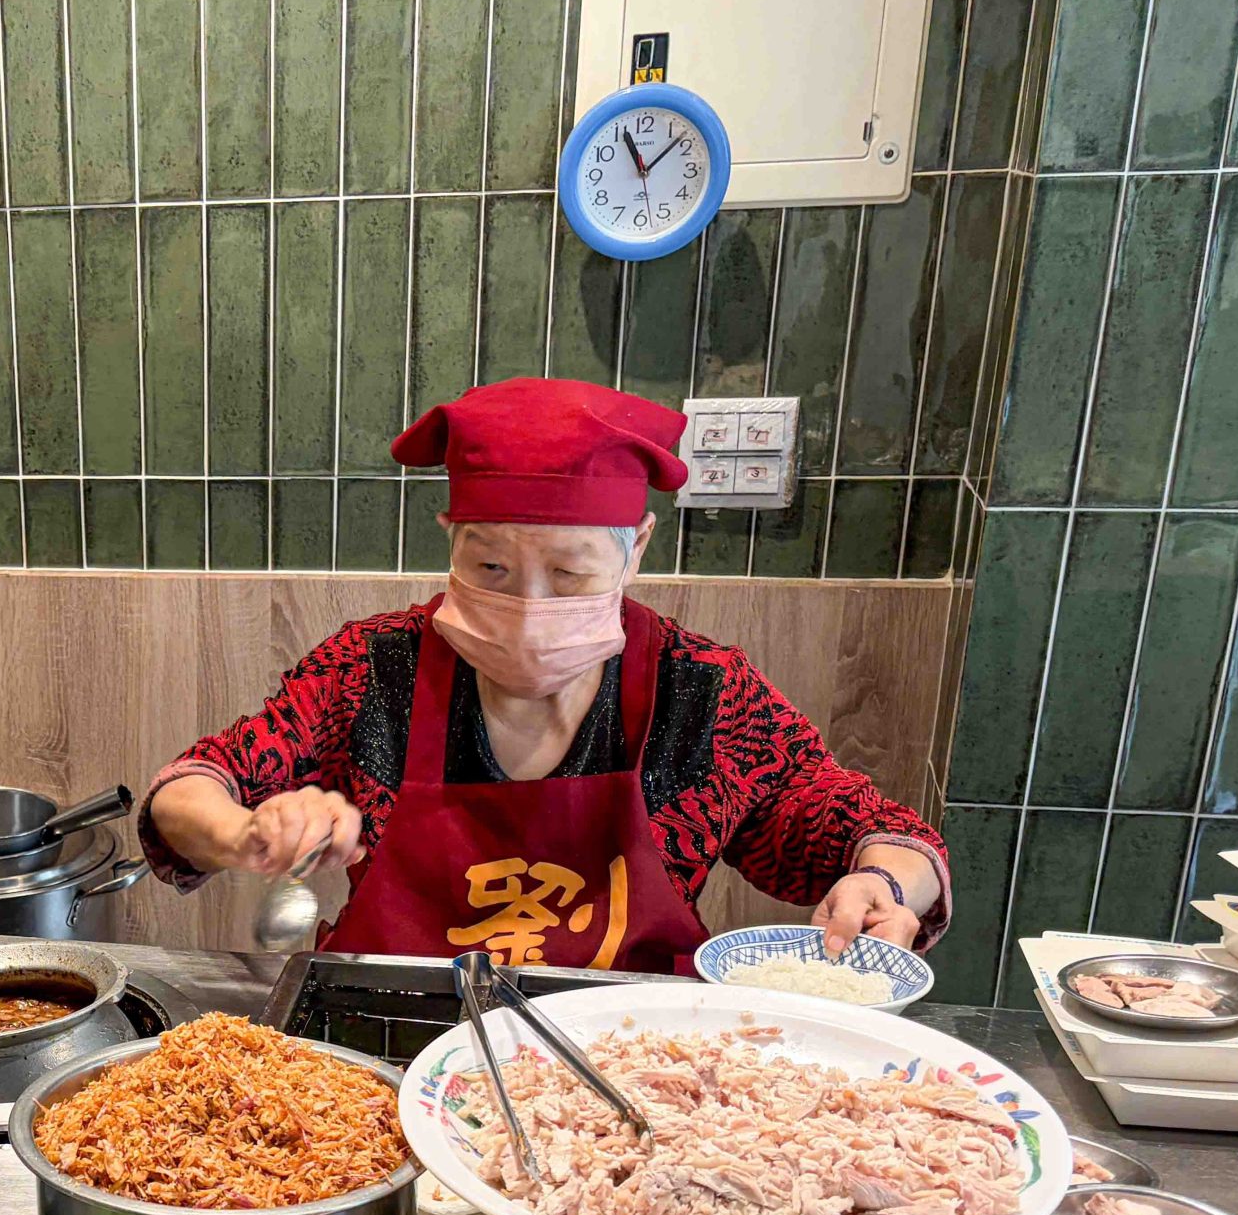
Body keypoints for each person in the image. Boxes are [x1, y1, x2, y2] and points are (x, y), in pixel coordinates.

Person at [141, 378, 947, 971]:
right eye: (488, 564)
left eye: (567, 573)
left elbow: (853, 827)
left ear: (636, 549)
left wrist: (885, 883)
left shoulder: (700, 690)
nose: (527, 605)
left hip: (634, 1068)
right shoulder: (371, 671)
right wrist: (243, 834)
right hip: (389, 1048)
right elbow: (190, 789)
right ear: (448, 536)